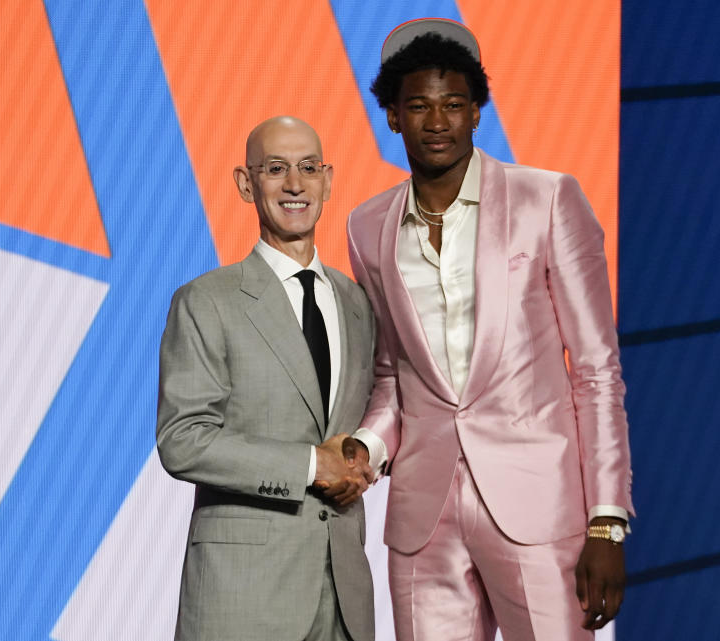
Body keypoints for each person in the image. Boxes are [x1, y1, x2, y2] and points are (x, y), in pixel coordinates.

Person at [343, 19, 635, 641]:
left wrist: (606, 523)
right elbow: (394, 374)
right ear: (393, 117)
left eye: (453, 105)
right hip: (423, 522)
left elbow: (596, 371)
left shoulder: (548, 199)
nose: (437, 121)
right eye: (418, 106)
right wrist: (366, 447)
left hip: (538, 509)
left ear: (477, 112)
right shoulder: (366, 227)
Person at [157, 116, 376, 641]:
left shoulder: (358, 304)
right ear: (245, 183)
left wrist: (367, 453)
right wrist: (308, 464)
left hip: (344, 596)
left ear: (327, 180)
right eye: (276, 169)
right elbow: (182, 441)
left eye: (308, 168)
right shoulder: (207, 301)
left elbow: (379, 412)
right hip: (243, 597)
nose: (295, 184)